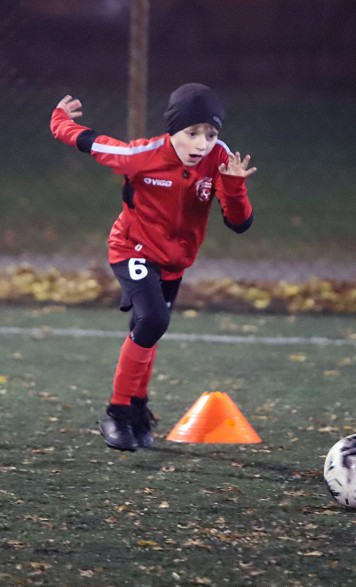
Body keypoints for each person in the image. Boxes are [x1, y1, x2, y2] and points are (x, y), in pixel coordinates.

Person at [50, 83, 257, 452]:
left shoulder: (221, 159)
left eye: (210, 134)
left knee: (148, 329)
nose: (201, 144)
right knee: (153, 321)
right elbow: (91, 142)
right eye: (191, 133)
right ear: (172, 130)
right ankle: (116, 413)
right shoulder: (143, 154)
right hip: (131, 250)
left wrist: (235, 186)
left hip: (174, 263)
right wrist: (59, 119)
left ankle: (137, 408)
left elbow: (238, 222)